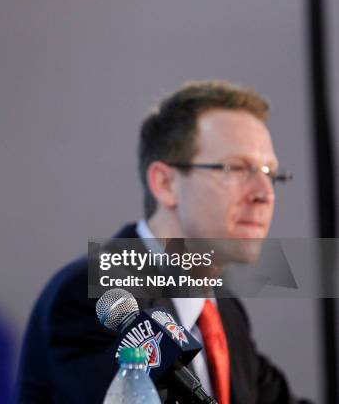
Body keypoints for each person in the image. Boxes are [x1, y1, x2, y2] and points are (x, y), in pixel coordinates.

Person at [16, 80, 300, 403]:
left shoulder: (226, 311)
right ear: (165, 184)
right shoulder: (98, 296)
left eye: (271, 174)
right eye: (237, 169)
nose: (265, 194)